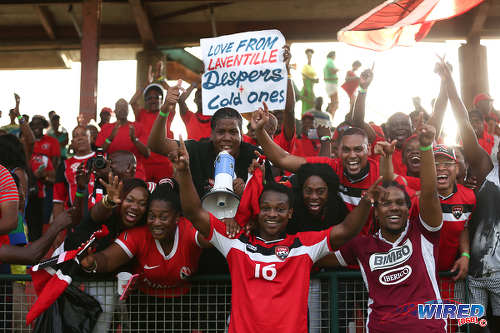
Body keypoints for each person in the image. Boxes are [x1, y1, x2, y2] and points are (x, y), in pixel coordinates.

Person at [172, 133, 382, 333]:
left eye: (280, 209)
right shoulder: (235, 241)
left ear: (290, 213)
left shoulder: (303, 246)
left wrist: (366, 202)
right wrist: (184, 172)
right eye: (266, 208)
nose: (272, 214)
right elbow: (194, 213)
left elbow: (346, 231)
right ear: (258, 210)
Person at [321, 119, 445, 332]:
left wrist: (426, 147)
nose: (393, 208)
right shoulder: (361, 245)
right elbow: (314, 256)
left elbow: (430, 193)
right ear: (375, 212)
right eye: (386, 204)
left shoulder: (423, 234)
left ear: (409, 209)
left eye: (400, 203)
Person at [80, 181, 210, 331]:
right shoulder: (139, 235)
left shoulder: (188, 229)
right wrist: (93, 262)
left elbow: (211, 237)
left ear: (177, 218)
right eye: (152, 216)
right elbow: (108, 259)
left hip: (183, 305)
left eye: (163, 217)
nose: (156, 222)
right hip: (145, 305)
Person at [254, 103, 381, 235]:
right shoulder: (332, 166)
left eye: (358, 149)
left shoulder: (380, 173)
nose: (352, 155)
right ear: (337, 151)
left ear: (369, 149)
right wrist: (259, 130)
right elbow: (283, 159)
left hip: (370, 246)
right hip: (339, 244)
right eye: (346, 149)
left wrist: (361, 90)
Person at [63, 176, 150, 333]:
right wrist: (108, 201)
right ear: (120, 199)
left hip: (115, 284)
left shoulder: (142, 229)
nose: (135, 207)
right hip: (81, 275)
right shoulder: (108, 213)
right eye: (129, 200)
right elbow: (97, 213)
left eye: (142, 203)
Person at [130, 67, 174, 182]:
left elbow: (175, 95)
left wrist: (161, 79)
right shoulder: (141, 114)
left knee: (164, 196)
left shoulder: (166, 113)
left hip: (164, 163)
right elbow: (133, 102)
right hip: (145, 164)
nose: (153, 100)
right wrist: (147, 84)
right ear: (145, 101)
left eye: (157, 97)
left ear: (162, 100)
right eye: (149, 98)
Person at [95, 98, 150, 180]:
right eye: (119, 107)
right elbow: (99, 152)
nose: (122, 109)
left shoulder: (138, 127)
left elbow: (147, 153)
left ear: (128, 111)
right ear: (115, 111)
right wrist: (110, 139)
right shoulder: (106, 128)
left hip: (135, 174)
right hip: (112, 175)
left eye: (125, 107)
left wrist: (134, 140)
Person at [53, 126, 96, 217]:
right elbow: (58, 200)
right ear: (72, 142)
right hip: (75, 218)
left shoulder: (103, 159)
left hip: (100, 215)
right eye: (76, 136)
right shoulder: (64, 165)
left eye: (83, 134)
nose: (80, 138)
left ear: (91, 138)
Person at [301, 48, 319, 115]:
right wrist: (305, 88)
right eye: (308, 54)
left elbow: (313, 79)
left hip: (312, 88)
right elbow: (304, 77)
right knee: (306, 105)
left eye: (311, 55)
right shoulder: (305, 66)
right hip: (306, 87)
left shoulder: (312, 67)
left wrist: (315, 80)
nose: (310, 56)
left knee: (312, 105)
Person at [324, 51, 339, 116]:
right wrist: (337, 70)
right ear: (333, 55)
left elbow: (325, 78)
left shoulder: (327, 62)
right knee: (335, 103)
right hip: (331, 84)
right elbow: (332, 70)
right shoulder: (330, 61)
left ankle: (329, 116)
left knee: (334, 103)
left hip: (329, 84)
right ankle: (330, 117)